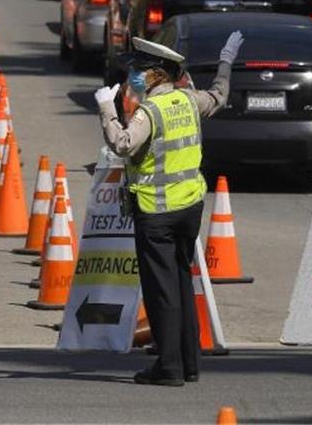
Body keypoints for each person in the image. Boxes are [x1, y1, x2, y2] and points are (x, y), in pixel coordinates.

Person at [94, 32, 244, 386]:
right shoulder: (189, 101)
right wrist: (226, 60)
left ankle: (169, 366)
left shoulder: (151, 110)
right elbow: (219, 96)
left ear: (157, 75)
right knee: (179, 281)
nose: (135, 76)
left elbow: (123, 144)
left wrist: (106, 107)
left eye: (141, 70)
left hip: (156, 212)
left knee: (161, 290)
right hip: (189, 208)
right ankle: (189, 363)